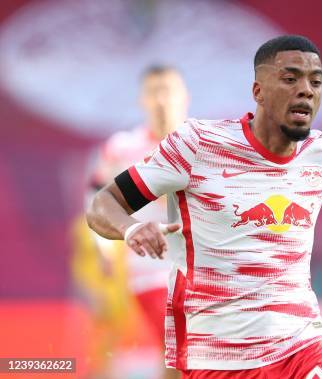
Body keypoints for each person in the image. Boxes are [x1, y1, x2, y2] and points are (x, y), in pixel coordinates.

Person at [86, 35, 322, 378]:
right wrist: (131, 228)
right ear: (258, 92)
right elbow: (103, 202)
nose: (306, 90)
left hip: (302, 348)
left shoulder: (320, 153)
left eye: (315, 81)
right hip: (222, 358)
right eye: (290, 79)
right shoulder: (197, 146)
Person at [91, 65, 188, 379]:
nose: (162, 100)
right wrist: (103, 247)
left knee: (178, 357)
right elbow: (94, 200)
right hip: (150, 271)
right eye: (153, 92)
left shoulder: (202, 145)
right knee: (178, 344)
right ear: (142, 100)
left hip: (201, 270)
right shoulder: (122, 148)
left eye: (168, 91)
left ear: (184, 97)